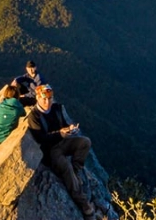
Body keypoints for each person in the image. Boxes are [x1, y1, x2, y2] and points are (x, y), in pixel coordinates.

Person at [27, 84, 95, 218]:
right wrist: (60, 134)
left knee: (85, 142)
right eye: (44, 99)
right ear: (37, 98)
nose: (47, 102)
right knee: (65, 167)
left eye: (50, 98)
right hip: (51, 149)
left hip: (64, 141)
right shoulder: (34, 116)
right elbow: (41, 139)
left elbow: (63, 124)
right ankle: (83, 202)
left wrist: (70, 128)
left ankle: (77, 171)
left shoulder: (57, 108)